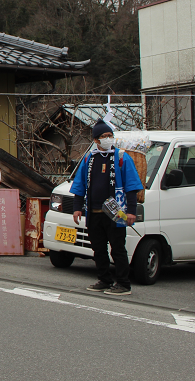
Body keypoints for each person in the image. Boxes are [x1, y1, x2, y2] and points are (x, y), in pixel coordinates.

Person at [70, 118, 142, 296]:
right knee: (98, 248)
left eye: (110, 135)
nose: (108, 139)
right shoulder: (89, 158)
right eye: (104, 136)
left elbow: (132, 186)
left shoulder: (122, 157)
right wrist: (77, 207)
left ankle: (123, 283)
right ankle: (104, 279)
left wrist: (131, 211)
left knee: (117, 248)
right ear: (96, 140)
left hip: (116, 212)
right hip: (94, 212)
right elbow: (79, 184)